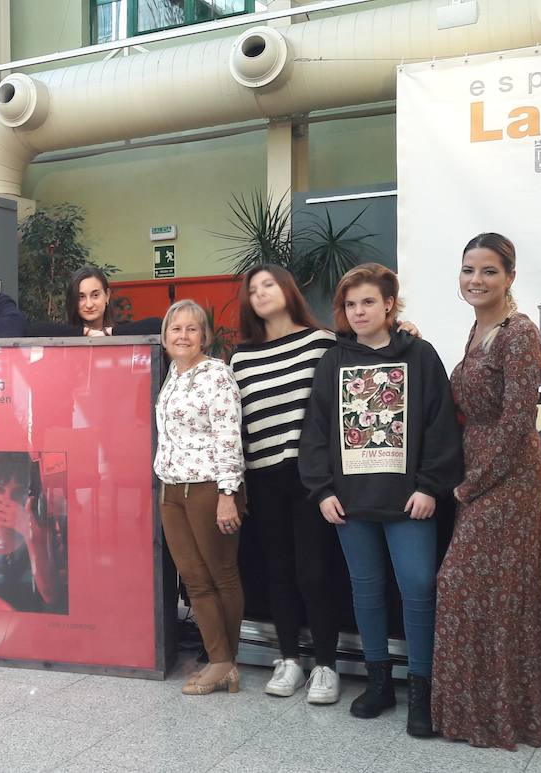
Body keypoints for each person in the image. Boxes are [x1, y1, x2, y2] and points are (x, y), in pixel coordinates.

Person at [299, 263, 462, 737]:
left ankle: (422, 691)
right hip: (351, 505)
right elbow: (316, 430)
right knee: (365, 592)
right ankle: (378, 683)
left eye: (368, 302)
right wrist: (322, 490)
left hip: (410, 501)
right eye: (350, 305)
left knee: (418, 590)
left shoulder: (420, 355)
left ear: (390, 304)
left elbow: (440, 425)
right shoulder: (334, 360)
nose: (358, 311)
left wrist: (430, 485)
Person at [433, 233, 541, 749]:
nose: (475, 280)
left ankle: (504, 715)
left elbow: (517, 422)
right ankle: (476, 714)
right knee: (485, 594)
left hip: (511, 477)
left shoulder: (518, 333)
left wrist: (471, 486)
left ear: (510, 277)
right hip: (479, 474)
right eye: (468, 270)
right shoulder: (478, 329)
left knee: (475, 589)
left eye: (488, 271)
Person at [228, 264, 344, 705]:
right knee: (277, 571)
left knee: (314, 572)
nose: (260, 293)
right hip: (261, 477)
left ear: (288, 290)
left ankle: (327, 666)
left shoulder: (321, 343)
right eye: (253, 289)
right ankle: (290, 658)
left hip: (310, 478)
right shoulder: (240, 357)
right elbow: (237, 425)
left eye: (269, 284)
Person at [153, 299, 247, 696]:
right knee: (193, 579)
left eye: (192, 329)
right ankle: (218, 658)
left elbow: (229, 436)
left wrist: (228, 493)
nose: (183, 336)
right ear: (165, 336)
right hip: (172, 489)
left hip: (210, 488)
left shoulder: (217, 375)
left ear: (204, 335)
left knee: (220, 575)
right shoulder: (172, 375)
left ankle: (225, 661)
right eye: (176, 329)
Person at [0, 452, 61, 613]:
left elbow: (51, 598)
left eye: (17, 492)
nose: (8, 500)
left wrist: (30, 535)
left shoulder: (39, 527)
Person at [24, 266, 162, 337]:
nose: (89, 304)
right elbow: (32, 330)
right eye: (81, 297)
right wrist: (85, 333)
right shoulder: (66, 333)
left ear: (107, 295)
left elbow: (158, 325)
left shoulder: (120, 330)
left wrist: (108, 333)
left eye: (95, 295)